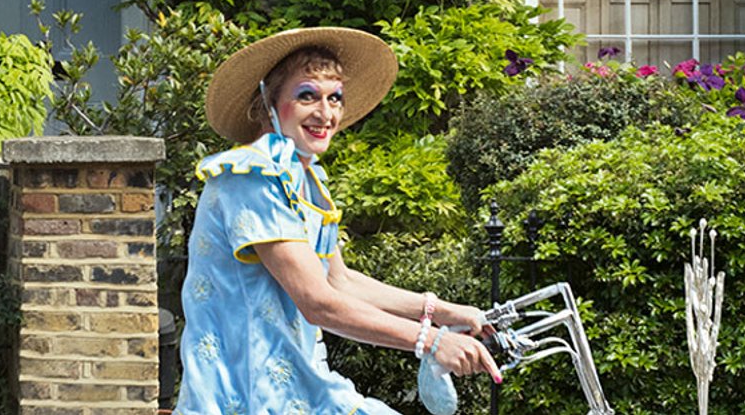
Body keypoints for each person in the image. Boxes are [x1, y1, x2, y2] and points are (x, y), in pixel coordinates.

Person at [174, 27, 500, 414]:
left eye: (335, 98)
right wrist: (430, 341)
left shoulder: (305, 178)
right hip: (245, 395)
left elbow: (338, 280)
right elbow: (318, 302)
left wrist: (445, 312)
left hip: (299, 386)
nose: (325, 113)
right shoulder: (251, 177)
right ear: (269, 101)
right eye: (307, 95)